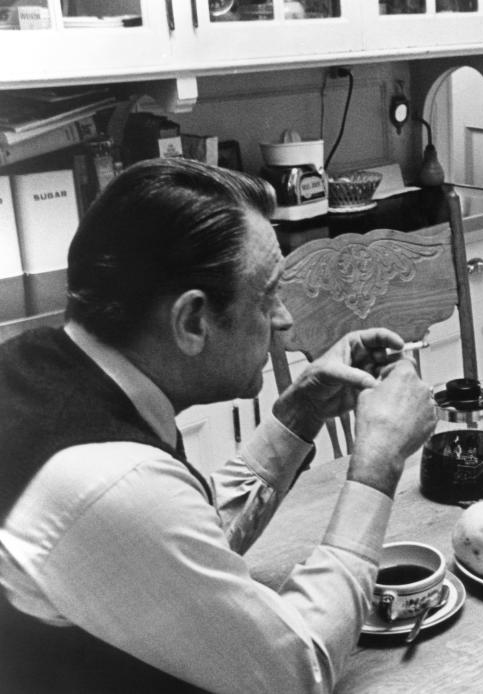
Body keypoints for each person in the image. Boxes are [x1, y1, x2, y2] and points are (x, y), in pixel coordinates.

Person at [0, 158, 437, 693]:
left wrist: (299, 415)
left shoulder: (36, 365)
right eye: (269, 294)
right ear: (191, 321)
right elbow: (295, 670)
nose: (284, 320)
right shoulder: (111, 483)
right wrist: (378, 464)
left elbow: (183, 545)